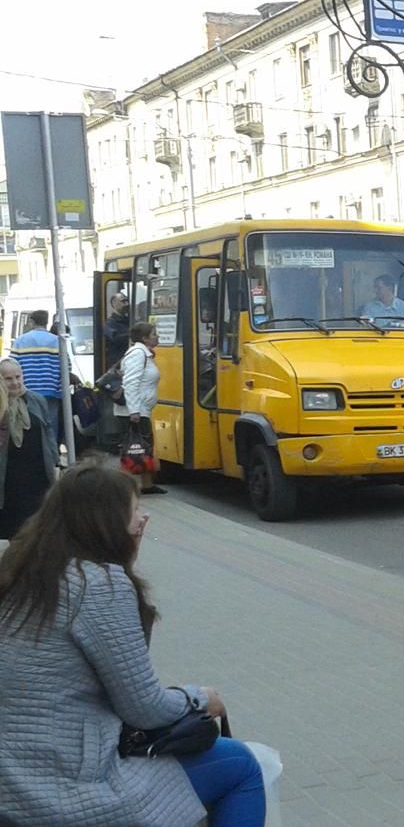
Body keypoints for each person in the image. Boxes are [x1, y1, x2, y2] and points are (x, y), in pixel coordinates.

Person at [0, 461, 265, 826]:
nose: (143, 520)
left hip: (12, 784)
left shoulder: (23, 572)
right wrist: (201, 698)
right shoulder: (98, 585)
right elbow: (144, 708)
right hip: (63, 793)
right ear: (105, 523)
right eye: (135, 510)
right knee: (241, 765)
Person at [0, 359, 58, 541]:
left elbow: (48, 429)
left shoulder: (36, 400)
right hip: (8, 476)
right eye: (8, 379)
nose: (15, 382)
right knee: (13, 526)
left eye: (18, 377)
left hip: (37, 473)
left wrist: (54, 458)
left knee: (38, 524)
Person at [116, 322, 164, 496]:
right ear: (144, 338)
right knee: (133, 448)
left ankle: (147, 485)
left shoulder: (145, 354)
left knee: (144, 447)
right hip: (136, 411)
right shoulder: (138, 354)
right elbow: (130, 382)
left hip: (142, 409)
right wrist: (134, 411)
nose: (157, 336)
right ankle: (126, 486)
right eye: (154, 334)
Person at [10, 309, 63, 445]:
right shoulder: (57, 341)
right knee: (50, 425)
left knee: (29, 424)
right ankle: (51, 453)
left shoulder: (20, 341)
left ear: (32, 322)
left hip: (28, 391)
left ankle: (34, 451)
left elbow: (12, 365)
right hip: (52, 391)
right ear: (47, 322)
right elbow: (66, 367)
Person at [105, 291, 132, 363]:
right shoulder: (110, 323)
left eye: (127, 301)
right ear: (114, 303)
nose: (127, 304)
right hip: (118, 362)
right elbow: (116, 338)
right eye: (123, 301)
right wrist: (134, 334)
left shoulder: (130, 320)